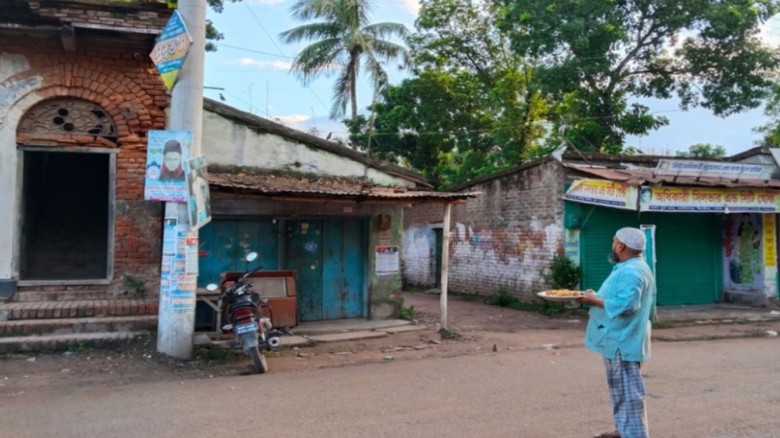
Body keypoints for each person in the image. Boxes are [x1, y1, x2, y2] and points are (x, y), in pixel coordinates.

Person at [578, 227, 656, 438]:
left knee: (629, 395)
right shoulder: (630, 267)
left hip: (622, 341)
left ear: (620, 246)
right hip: (620, 340)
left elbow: (627, 304)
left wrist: (592, 300)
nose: (612, 245)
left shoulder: (632, 271)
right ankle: (624, 431)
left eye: (614, 241)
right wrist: (597, 295)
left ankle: (633, 434)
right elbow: (618, 296)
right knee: (621, 392)